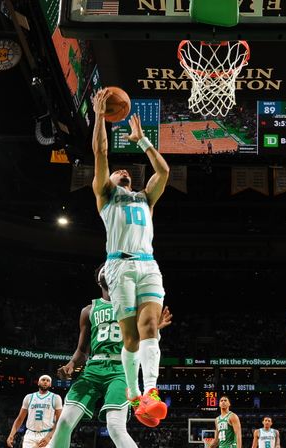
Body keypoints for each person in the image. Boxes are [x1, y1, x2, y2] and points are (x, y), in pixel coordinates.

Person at [21, 264, 170, 448]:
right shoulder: (88, 310)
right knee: (65, 421)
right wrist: (70, 365)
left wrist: (155, 327)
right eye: (106, 266)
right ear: (99, 277)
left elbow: (146, 337)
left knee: (115, 427)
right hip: (92, 369)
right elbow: (81, 351)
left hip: (121, 369)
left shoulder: (133, 303)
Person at [91, 87, 171, 428]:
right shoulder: (106, 197)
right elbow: (101, 152)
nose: (121, 171)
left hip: (147, 264)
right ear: (108, 181)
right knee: (131, 338)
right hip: (119, 265)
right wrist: (98, 116)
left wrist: (141, 140)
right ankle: (132, 390)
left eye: (126, 170)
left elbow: (164, 172)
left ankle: (150, 390)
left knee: (150, 326)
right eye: (116, 171)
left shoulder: (144, 199)